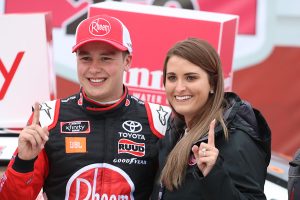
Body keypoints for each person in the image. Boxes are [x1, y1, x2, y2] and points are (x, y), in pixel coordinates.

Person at [0, 15, 171, 200]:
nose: (94, 68)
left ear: (127, 61)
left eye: (106, 58)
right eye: (86, 58)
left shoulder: (158, 120)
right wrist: (23, 163)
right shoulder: (48, 118)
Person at [152, 38, 271, 199]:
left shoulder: (235, 138)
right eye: (172, 78)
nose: (179, 88)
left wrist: (213, 173)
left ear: (213, 84)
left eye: (191, 78)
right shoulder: (172, 132)